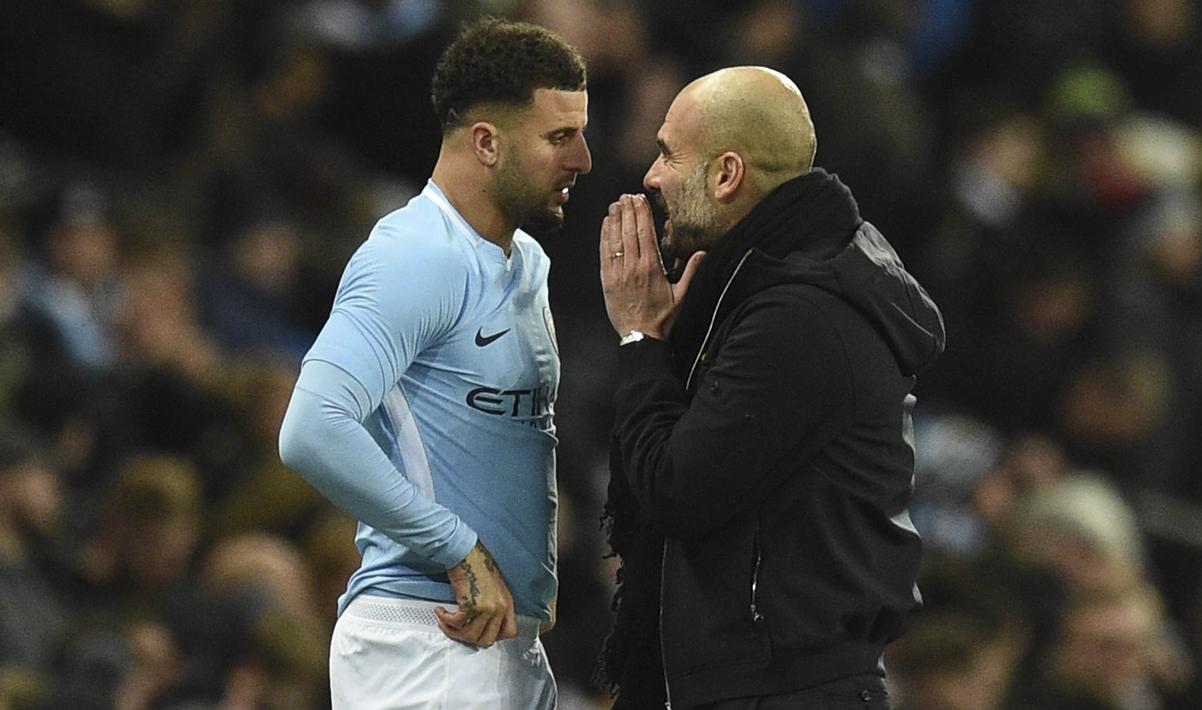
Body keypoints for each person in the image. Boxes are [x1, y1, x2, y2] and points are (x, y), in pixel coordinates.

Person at [595, 66, 946, 709]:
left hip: (781, 691)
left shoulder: (800, 315)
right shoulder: (767, 289)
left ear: (727, 175)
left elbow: (678, 488)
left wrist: (640, 342)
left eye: (668, 153)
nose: (650, 176)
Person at [278, 17, 590, 709]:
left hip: (503, 642)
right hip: (424, 639)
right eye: (559, 138)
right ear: (486, 141)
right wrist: (455, 546)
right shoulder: (414, 254)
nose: (583, 160)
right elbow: (312, 426)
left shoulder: (528, 264)